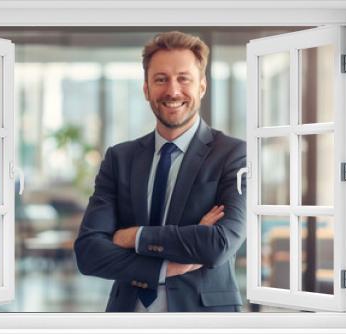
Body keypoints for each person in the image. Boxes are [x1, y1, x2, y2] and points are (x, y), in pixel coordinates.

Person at [74, 31, 246, 312]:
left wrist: (134, 237)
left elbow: (219, 244)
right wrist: (166, 266)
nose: (173, 91)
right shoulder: (120, 158)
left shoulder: (232, 154)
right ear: (146, 89)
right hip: (127, 315)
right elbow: (89, 253)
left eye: (183, 78)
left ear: (202, 86)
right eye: (161, 79)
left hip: (205, 319)